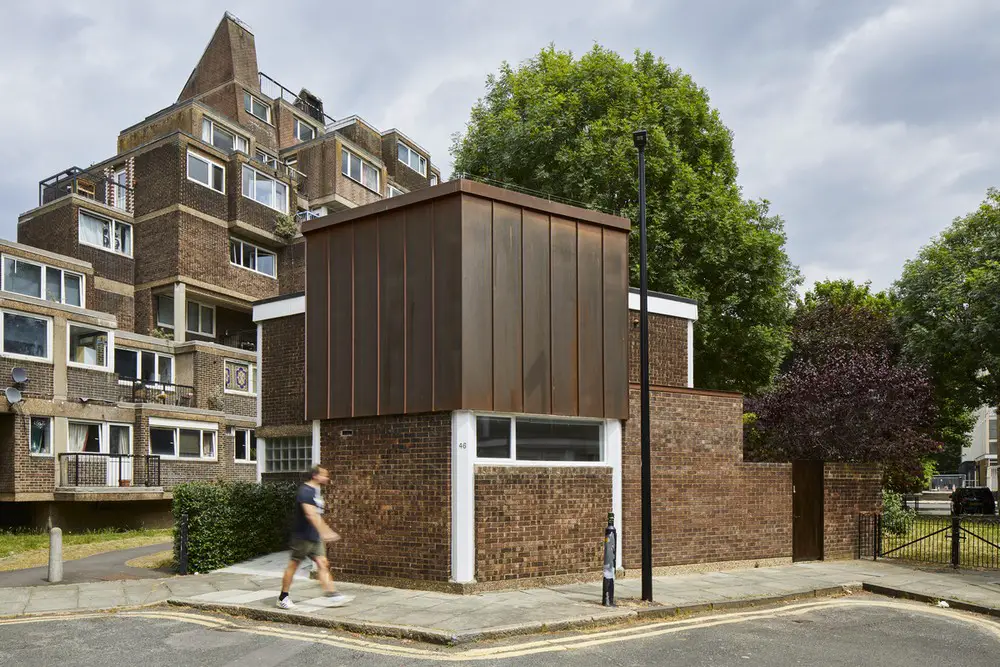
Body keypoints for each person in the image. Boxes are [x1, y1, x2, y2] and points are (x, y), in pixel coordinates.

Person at [277, 465, 346, 609]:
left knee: (323, 563)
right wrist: (326, 531)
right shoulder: (305, 491)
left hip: (314, 537)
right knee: (293, 565)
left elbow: (317, 515)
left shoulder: (315, 491)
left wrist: (322, 532)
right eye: (324, 475)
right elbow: (310, 514)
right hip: (302, 537)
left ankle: (332, 594)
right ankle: (283, 597)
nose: (327, 478)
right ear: (315, 475)